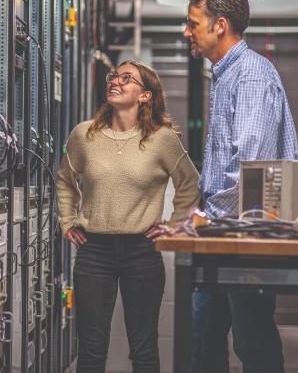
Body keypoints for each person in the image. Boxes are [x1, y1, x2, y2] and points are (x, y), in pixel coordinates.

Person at [183, 0, 298, 373]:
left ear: (219, 25)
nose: (187, 32)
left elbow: (250, 170)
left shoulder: (249, 75)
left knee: (253, 342)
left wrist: (207, 219)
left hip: (243, 236)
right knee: (203, 341)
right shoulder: (226, 75)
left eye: (192, 23)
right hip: (223, 235)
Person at [56, 60, 200, 373]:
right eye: (113, 76)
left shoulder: (162, 139)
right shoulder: (83, 136)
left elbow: (189, 183)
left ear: (145, 95)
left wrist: (174, 226)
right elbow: (65, 180)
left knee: (144, 347)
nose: (115, 81)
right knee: (92, 349)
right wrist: (67, 220)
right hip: (94, 252)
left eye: (126, 78)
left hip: (142, 251)